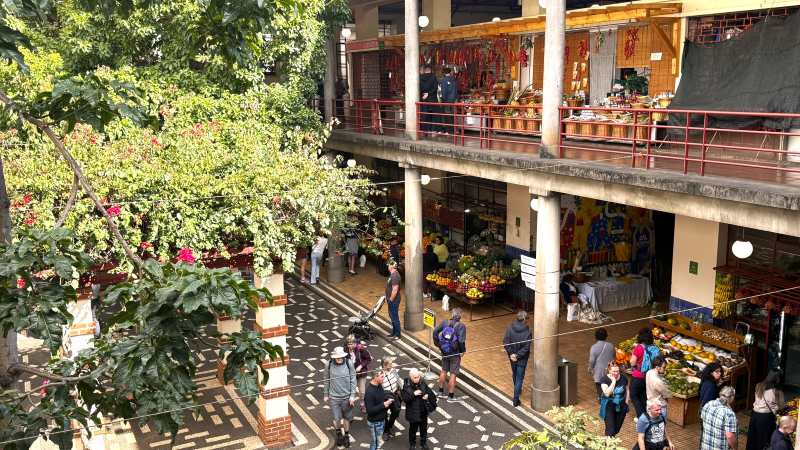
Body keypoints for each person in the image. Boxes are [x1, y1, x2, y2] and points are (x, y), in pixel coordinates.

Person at [323, 346, 357, 448]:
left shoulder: (349, 363)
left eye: (341, 357)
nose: (339, 359)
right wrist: (326, 394)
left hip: (347, 397)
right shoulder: (328, 365)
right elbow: (326, 379)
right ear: (333, 357)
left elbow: (353, 379)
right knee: (337, 418)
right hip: (334, 398)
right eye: (337, 357)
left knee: (346, 418)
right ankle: (339, 434)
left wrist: (352, 396)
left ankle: (346, 435)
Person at [433, 308, 466, 402]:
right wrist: (462, 351)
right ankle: (451, 396)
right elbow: (461, 341)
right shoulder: (461, 326)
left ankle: (440, 392)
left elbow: (435, 331)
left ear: (452, 315)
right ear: (460, 316)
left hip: (444, 351)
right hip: (455, 353)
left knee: (443, 370)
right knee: (453, 374)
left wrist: (438, 344)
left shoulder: (445, 322)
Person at [746, 371, 784, 450]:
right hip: (766, 417)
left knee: (752, 439)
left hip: (755, 415)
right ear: (778, 379)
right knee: (763, 440)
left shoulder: (758, 385)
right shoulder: (776, 391)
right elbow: (780, 406)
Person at [502, 311, 532, 407]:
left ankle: (517, 389)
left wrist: (512, 354)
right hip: (522, 358)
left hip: (512, 357)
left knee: (515, 374)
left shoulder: (509, 328)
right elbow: (526, 347)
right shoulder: (527, 332)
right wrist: (518, 355)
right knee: (519, 377)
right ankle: (516, 399)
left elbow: (506, 342)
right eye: (527, 319)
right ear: (524, 320)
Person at [401, 368, 436, 450]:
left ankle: (423, 443)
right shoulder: (406, 386)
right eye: (415, 377)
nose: (417, 379)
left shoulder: (423, 383)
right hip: (413, 413)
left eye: (418, 377)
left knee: (423, 429)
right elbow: (405, 399)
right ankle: (412, 444)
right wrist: (413, 394)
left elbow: (429, 392)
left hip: (423, 411)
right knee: (413, 430)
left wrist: (427, 395)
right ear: (410, 377)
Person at [630, 327, 659, 418]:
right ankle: (647, 414)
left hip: (638, 376)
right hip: (649, 376)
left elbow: (632, 362)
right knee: (643, 396)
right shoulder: (654, 348)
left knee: (634, 395)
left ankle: (641, 416)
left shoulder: (639, 348)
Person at [700, 386, 738, 450]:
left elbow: (703, 420)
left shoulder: (708, 404)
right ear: (732, 398)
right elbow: (730, 436)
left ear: (720, 394)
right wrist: (735, 448)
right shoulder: (729, 414)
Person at [364, 369, 393, 450]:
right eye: (382, 377)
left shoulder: (379, 385)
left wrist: (387, 400)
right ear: (375, 377)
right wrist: (384, 404)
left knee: (377, 441)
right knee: (375, 442)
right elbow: (370, 411)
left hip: (381, 420)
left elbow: (381, 397)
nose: (384, 378)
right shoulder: (370, 392)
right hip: (375, 423)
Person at [599, 361, 629, 437]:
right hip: (608, 406)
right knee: (610, 429)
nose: (616, 373)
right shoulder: (604, 379)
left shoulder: (623, 378)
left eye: (617, 371)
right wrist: (614, 381)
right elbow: (607, 393)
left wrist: (626, 402)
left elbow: (627, 389)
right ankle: (607, 445)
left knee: (616, 429)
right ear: (609, 370)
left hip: (621, 406)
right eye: (614, 371)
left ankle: (610, 440)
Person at [345, 334, 372, 413]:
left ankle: (362, 403)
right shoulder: (345, 350)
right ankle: (348, 404)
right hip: (350, 374)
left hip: (361, 374)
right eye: (348, 344)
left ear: (355, 343)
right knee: (348, 390)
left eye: (352, 344)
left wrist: (361, 366)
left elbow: (368, 359)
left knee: (362, 391)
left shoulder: (361, 349)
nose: (350, 346)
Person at [588, 328, 615, 400]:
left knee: (599, 387)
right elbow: (613, 357)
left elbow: (592, 360)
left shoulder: (594, 347)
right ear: (606, 336)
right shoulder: (611, 346)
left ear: (596, 336)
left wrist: (590, 368)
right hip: (609, 370)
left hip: (598, 371)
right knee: (609, 385)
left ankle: (601, 399)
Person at [380, 357, 402, 442]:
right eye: (390, 364)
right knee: (384, 414)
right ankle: (386, 431)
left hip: (395, 395)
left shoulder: (394, 371)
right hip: (385, 397)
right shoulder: (379, 374)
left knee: (396, 411)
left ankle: (390, 425)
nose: (392, 365)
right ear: (385, 365)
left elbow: (399, 381)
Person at [437, 67, 458, 134]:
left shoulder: (444, 80)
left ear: (444, 73)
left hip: (447, 100)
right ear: (450, 72)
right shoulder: (454, 79)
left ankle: (449, 130)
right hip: (454, 99)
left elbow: (444, 92)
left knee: (447, 114)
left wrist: (443, 99)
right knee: (454, 114)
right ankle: (456, 130)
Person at [419, 65, 438, 134]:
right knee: (433, 115)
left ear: (425, 70)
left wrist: (424, 94)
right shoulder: (433, 77)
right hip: (432, 99)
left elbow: (419, 88)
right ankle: (433, 130)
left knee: (424, 115)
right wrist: (429, 94)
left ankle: (425, 130)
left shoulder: (420, 77)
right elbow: (435, 88)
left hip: (424, 98)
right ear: (430, 70)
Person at [385, 260, 402, 340]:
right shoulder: (392, 274)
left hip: (394, 300)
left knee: (394, 317)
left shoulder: (395, 276)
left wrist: (391, 300)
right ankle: (394, 332)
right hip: (391, 299)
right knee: (392, 316)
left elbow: (395, 290)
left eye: (389, 265)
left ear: (392, 266)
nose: (388, 266)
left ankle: (398, 334)